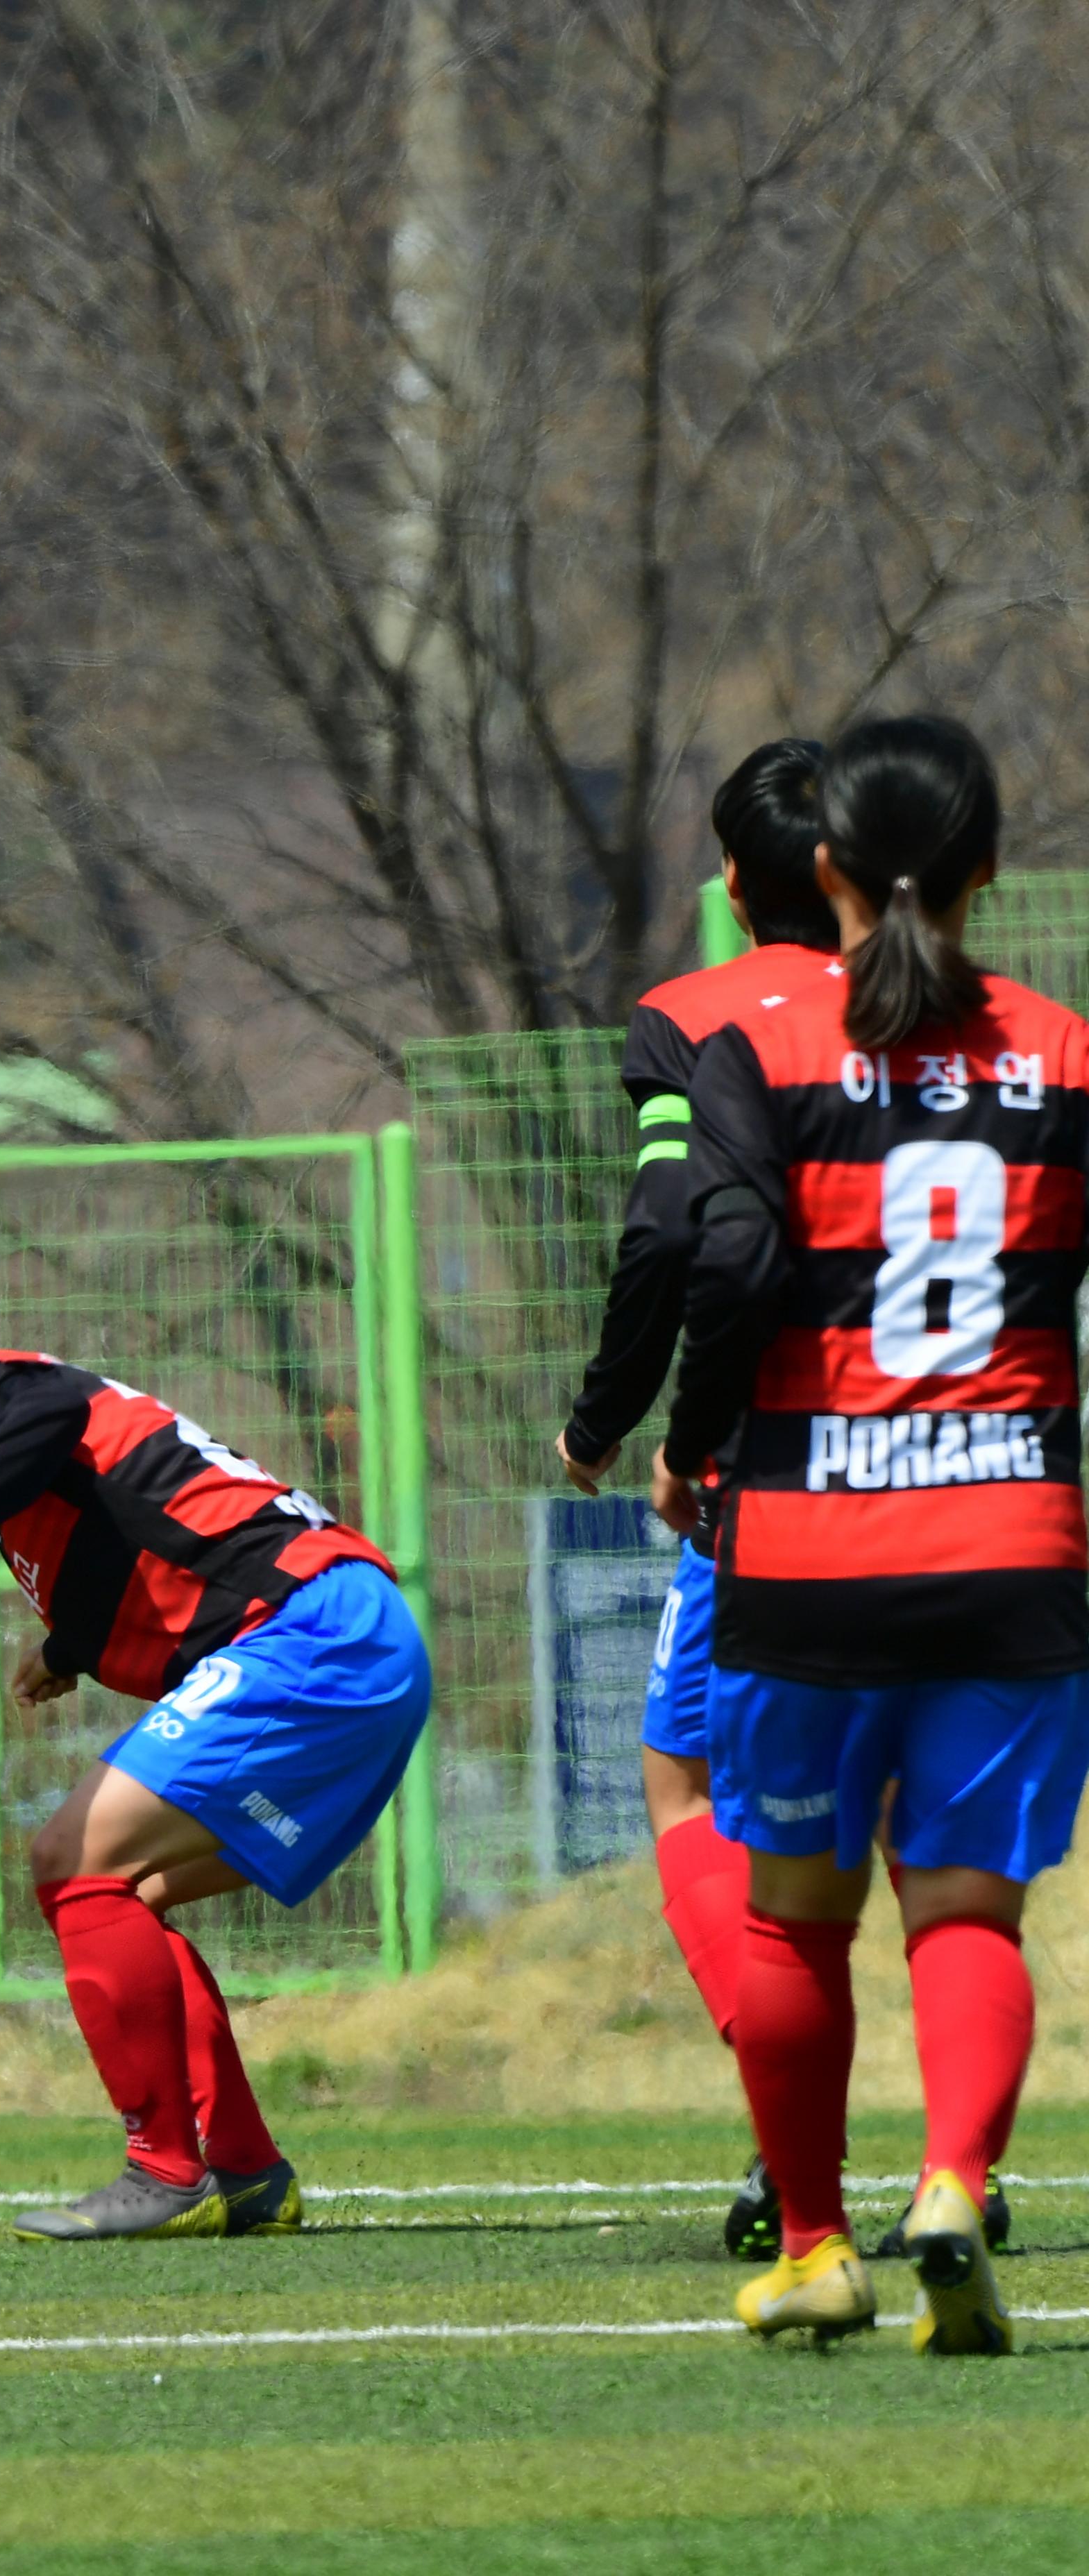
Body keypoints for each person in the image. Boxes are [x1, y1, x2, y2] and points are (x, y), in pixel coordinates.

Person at [655, 713, 1089, 2356]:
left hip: (811, 1544)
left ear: (820, 867)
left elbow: (728, 1270)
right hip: (1016, 1542)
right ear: (990, 868)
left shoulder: (760, 1050)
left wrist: (691, 1444)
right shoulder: (1066, 1049)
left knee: (792, 1915)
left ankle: (820, 2240)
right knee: (968, 1912)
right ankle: (958, 2185)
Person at [0, 1210, 430, 2242]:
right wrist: (67, 1651)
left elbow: (50, 1417)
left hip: (312, 1636)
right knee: (123, 1893)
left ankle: (165, 2169)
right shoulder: (18, 1415)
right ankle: (241, 2171)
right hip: (356, 1636)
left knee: (69, 1860)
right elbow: (115, 1522)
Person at [553, 738, 891, 2263]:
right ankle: (960, 2157)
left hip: (776, 1469)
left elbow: (674, 1242)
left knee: (685, 1783)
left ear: (738, 882)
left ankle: (787, 2140)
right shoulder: (942, 1017)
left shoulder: (692, 1020)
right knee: (921, 1829)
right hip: (967, 1464)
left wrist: (612, 1424)